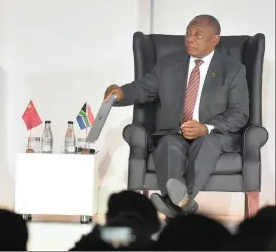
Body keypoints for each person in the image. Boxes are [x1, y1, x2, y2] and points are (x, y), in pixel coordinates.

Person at [104, 15, 249, 218]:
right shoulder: (169, 64)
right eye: (188, 33)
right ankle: (184, 204)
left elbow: (239, 114)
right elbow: (144, 88)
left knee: (206, 144)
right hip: (175, 132)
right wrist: (121, 93)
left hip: (212, 135)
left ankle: (174, 206)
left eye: (198, 34)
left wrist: (205, 127)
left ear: (215, 39)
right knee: (168, 144)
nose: (190, 38)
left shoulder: (232, 69)